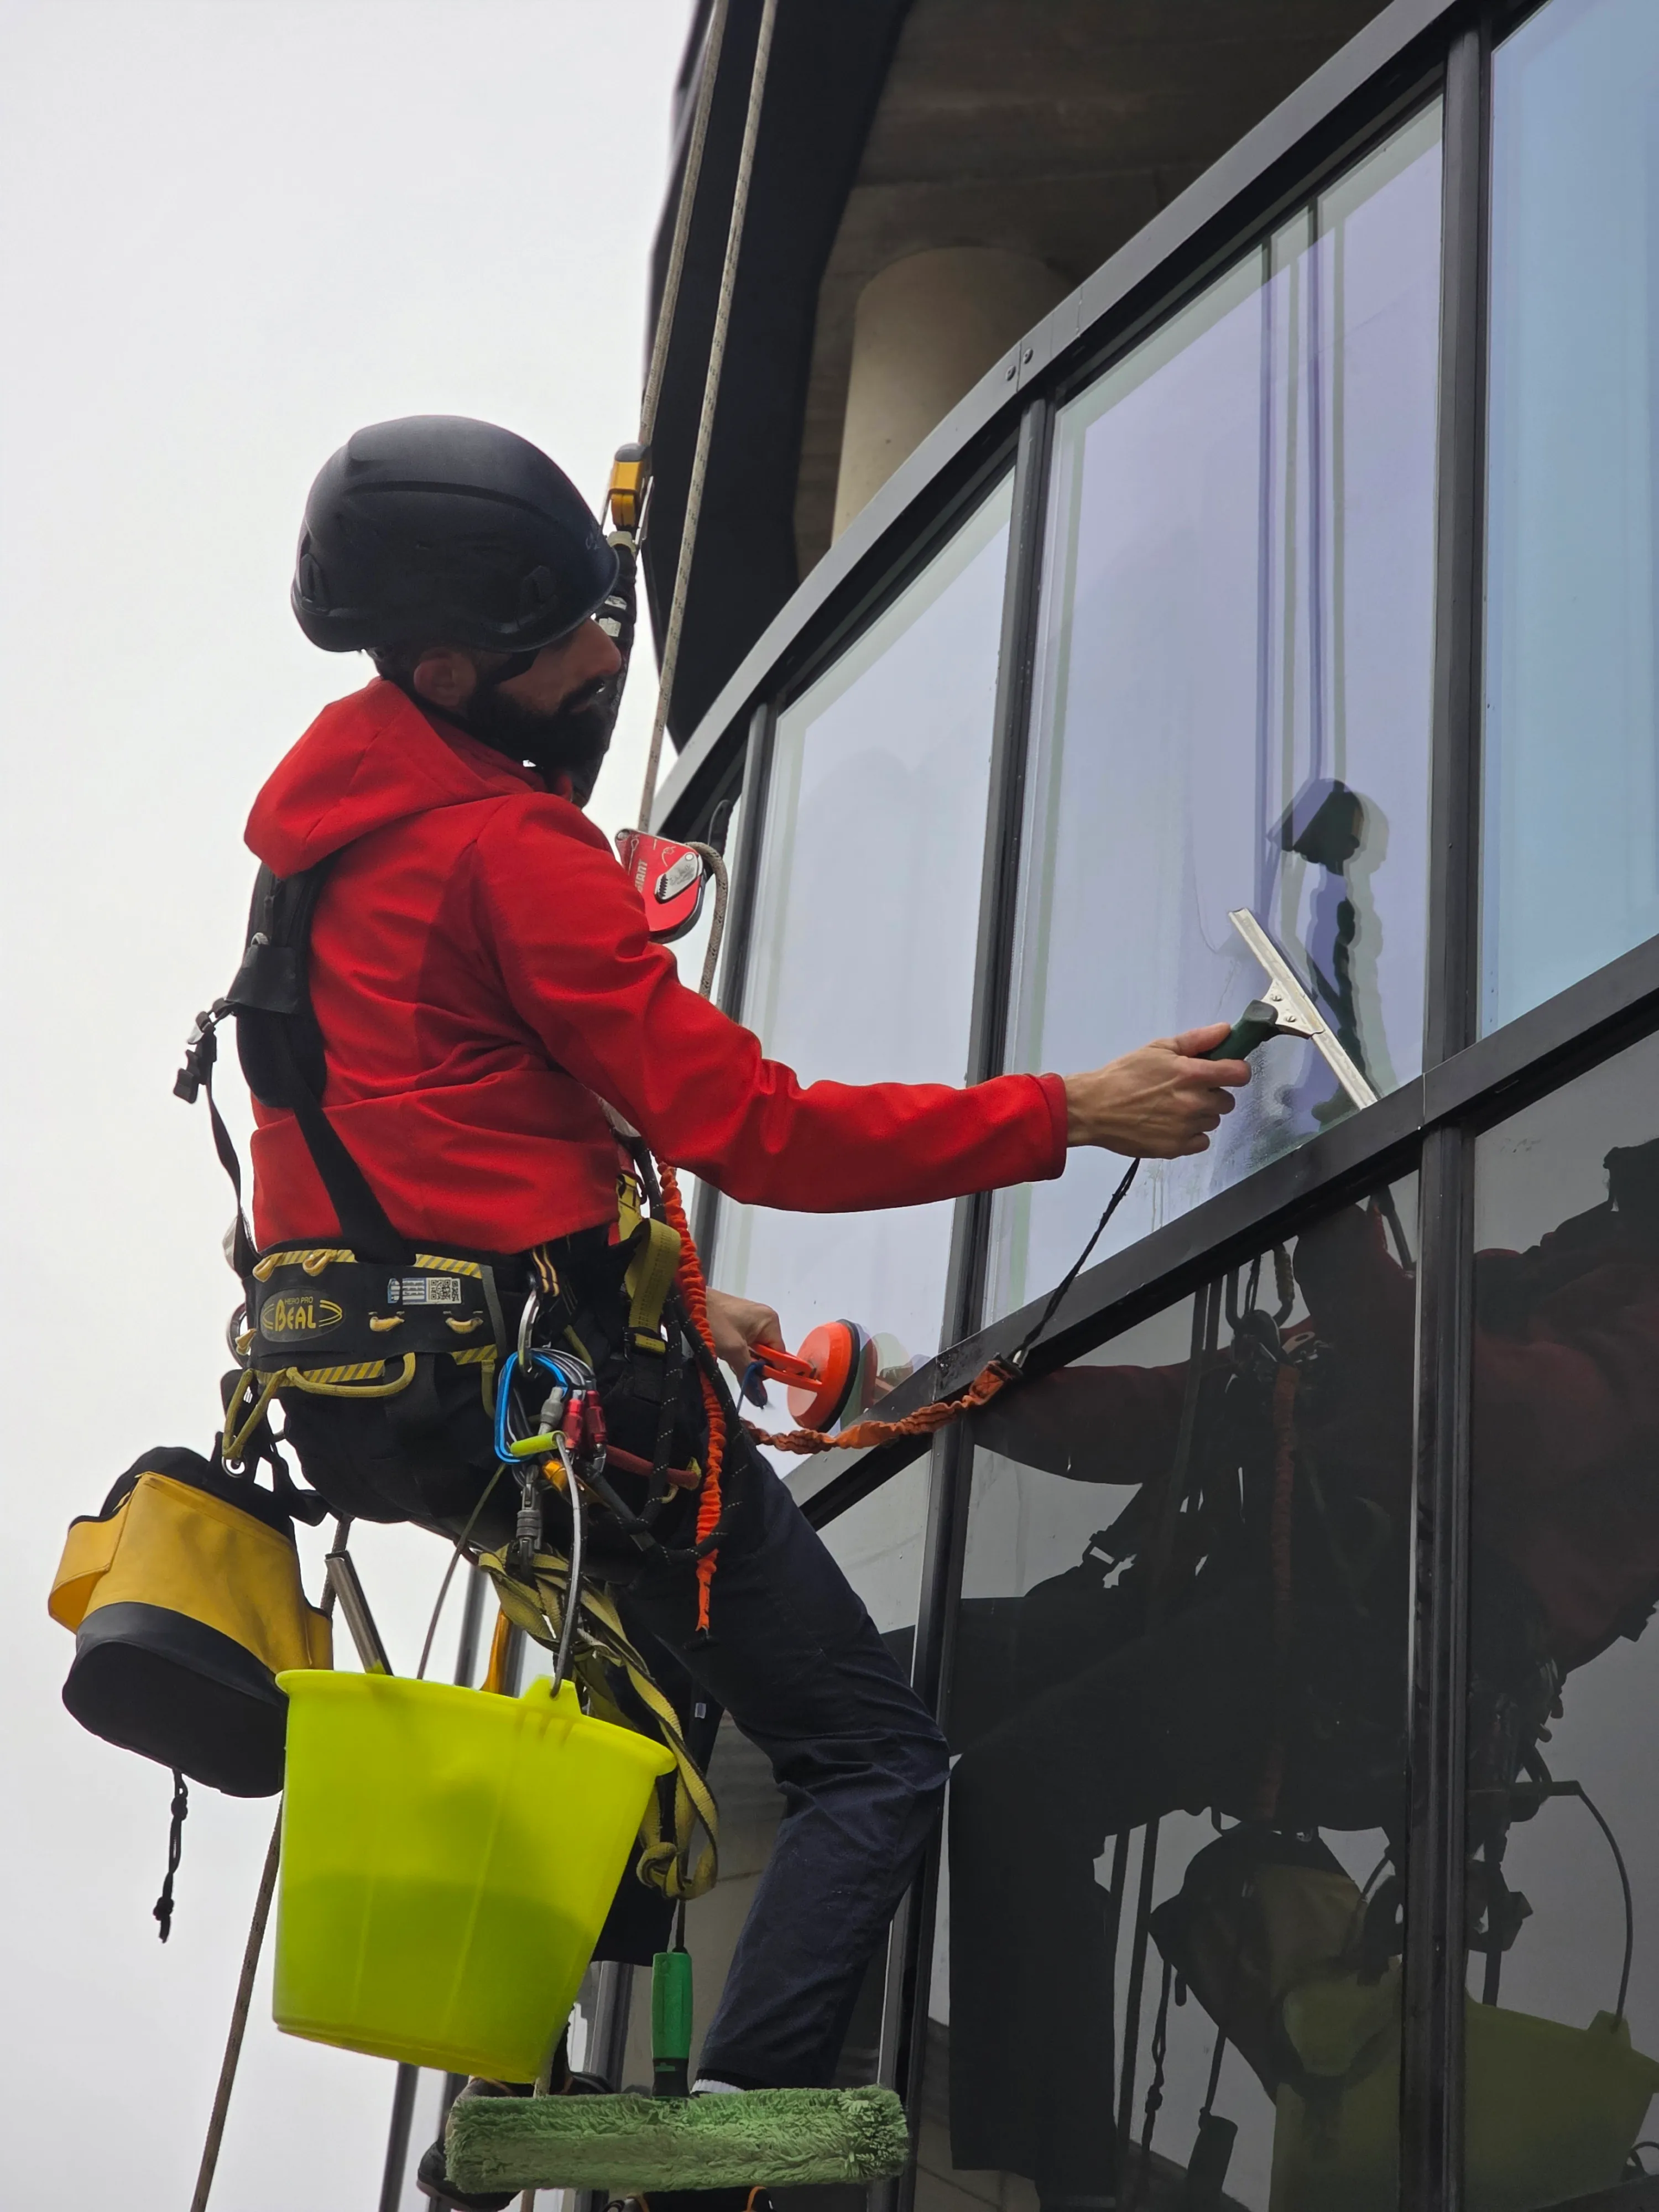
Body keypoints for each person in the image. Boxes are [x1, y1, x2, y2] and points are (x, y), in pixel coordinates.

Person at [242, 415, 1250, 2211]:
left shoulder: (325, 854)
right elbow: (754, 1127)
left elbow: (417, 1134)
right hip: (561, 1400)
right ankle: (713, 2141)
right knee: (876, 1754)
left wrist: (655, 1290)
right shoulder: (507, 853)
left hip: (389, 1390)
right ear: (466, 667)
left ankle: (518, 2102)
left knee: (641, 1725)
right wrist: (1069, 1113)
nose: (609, 658)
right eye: (573, 630)